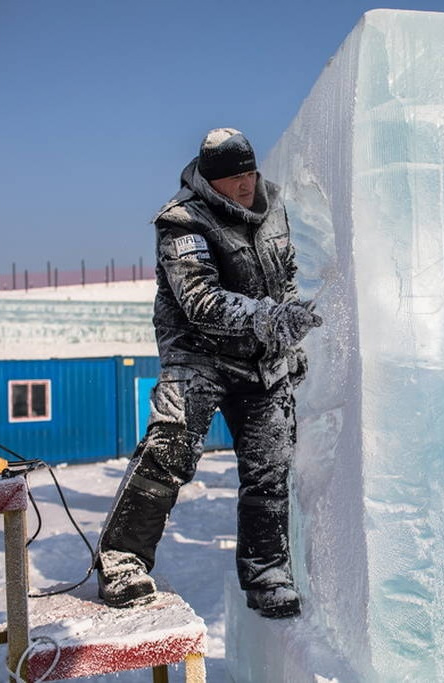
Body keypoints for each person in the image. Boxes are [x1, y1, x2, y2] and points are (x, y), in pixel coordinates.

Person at [95, 128, 322, 618]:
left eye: (250, 173)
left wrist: (289, 337)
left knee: (270, 466)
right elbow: (200, 301)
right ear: (209, 181)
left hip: (261, 358)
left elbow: (284, 278)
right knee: (169, 452)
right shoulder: (181, 221)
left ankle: (267, 574)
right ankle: (122, 561)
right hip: (199, 355)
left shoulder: (272, 207)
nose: (246, 185)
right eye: (234, 178)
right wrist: (271, 319)